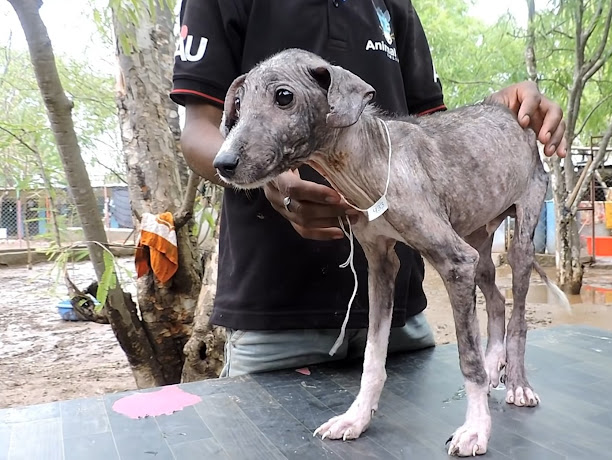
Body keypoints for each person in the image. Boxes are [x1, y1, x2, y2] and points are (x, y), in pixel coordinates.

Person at [170, 0, 567, 378]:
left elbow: (430, 130)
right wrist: (276, 180)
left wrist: (492, 117)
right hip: (276, 319)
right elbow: (199, 129)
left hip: (401, 315)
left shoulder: (394, 6)